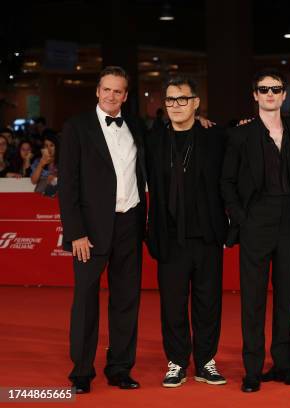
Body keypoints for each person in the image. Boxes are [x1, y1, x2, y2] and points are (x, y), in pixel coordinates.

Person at [58, 66, 147, 394]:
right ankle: (81, 370)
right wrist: (75, 232)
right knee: (85, 302)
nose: (112, 96)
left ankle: (120, 367)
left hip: (129, 223)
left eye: (118, 91)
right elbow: (67, 185)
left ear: (125, 95)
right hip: (90, 231)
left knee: (126, 301)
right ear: (98, 91)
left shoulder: (136, 126)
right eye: (106, 89)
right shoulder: (76, 127)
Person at [220, 69, 290, 393]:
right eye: (263, 89)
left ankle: (282, 364)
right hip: (257, 219)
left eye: (276, 89)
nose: (270, 93)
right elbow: (226, 181)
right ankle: (252, 369)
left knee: (286, 296)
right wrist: (242, 218)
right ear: (255, 95)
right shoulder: (240, 135)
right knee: (253, 300)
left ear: (284, 95)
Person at [145, 76, 228, 388]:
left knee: (208, 303)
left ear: (196, 102)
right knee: (173, 304)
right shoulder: (154, 140)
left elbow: (245, 140)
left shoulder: (215, 136)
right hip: (169, 236)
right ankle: (177, 361)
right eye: (169, 100)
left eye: (182, 99)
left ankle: (206, 361)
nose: (175, 105)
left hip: (206, 235)